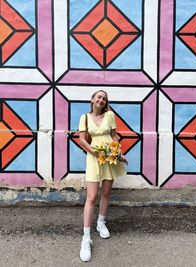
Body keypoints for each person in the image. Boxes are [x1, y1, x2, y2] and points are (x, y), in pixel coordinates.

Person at [78, 90, 127, 262]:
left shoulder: (110, 115)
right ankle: (86, 238)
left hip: (109, 156)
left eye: (104, 98)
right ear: (92, 99)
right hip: (93, 158)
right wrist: (92, 151)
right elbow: (81, 138)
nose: (101, 100)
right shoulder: (84, 117)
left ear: (106, 102)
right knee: (91, 197)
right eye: (98, 97)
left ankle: (101, 222)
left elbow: (114, 136)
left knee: (105, 193)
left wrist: (119, 152)